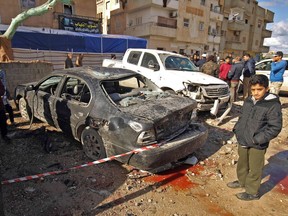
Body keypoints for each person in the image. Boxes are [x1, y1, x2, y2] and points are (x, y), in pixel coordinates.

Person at [227, 74, 282, 201]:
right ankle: (242, 182)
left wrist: (257, 139)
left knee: (255, 168)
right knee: (242, 163)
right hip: (243, 138)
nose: (256, 93)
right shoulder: (248, 101)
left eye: (259, 89)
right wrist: (237, 129)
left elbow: (275, 127)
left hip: (258, 143)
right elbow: (243, 117)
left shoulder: (272, 105)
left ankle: (252, 192)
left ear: (266, 89)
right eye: (253, 90)